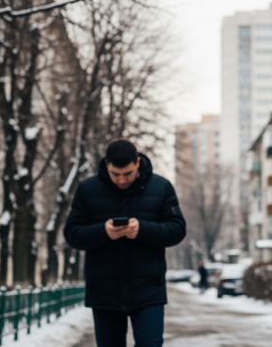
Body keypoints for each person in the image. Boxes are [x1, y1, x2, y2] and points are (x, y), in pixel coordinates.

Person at [64, 139, 186, 347]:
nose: (121, 180)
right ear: (107, 164)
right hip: (104, 291)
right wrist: (103, 232)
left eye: (127, 173)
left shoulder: (161, 187)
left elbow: (177, 230)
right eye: (115, 174)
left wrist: (143, 230)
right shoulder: (87, 189)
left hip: (148, 289)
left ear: (137, 163)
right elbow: (72, 234)